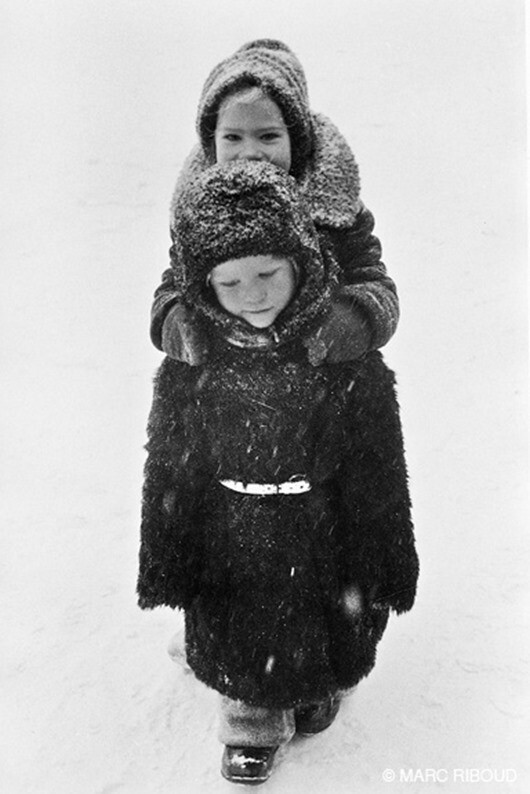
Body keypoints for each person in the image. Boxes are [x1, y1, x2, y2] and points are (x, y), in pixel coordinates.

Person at [137, 160, 419, 785]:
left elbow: (379, 466)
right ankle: (250, 713)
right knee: (241, 628)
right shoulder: (198, 360)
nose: (254, 294)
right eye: (230, 282)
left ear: (302, 263)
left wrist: (388, 554)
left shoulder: (339, 354)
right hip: (231, 531)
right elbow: (171, 467)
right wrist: (169, 554)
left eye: (268, 273)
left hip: (320, 522)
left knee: (327, 615)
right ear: (203, 286)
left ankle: (315, 679)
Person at [150, 38, 399, 369]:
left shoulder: (333, 206)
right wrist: (176, 326)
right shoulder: (199, 210)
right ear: (212, 143)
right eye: (232, 137)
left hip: (325, 388)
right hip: (226, 391)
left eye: (268, 136)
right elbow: (172, 288)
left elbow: (375, 284)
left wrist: (353, 322)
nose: (250, 151)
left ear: (295, 140)